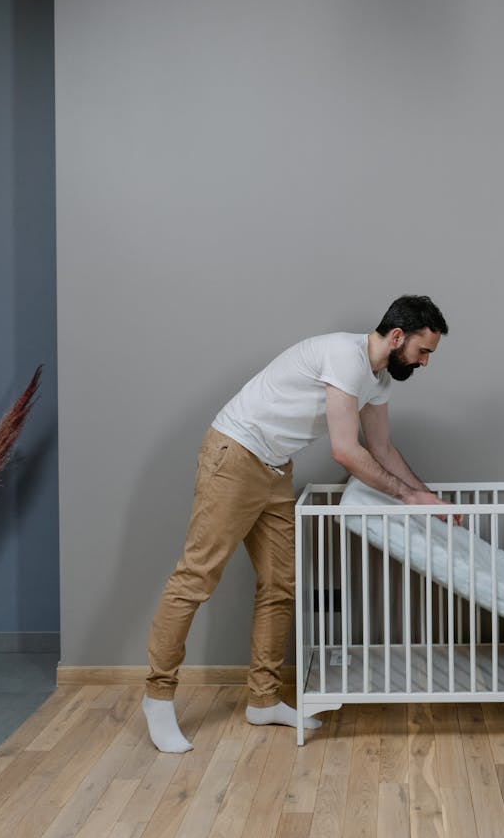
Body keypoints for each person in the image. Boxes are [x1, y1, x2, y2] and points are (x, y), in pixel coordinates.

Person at [142, 294, 449, 752]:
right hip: (235, 454)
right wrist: (406, 497)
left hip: (273, 467)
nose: (425, 362)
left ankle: (263, 700)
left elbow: (382, 449)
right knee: (196, 577)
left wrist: (425, 497)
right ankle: (157, 697)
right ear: (398, 337)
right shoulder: (344, 357)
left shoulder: (379, 379)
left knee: (280, 584)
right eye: (423, 351)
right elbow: (346, 451)